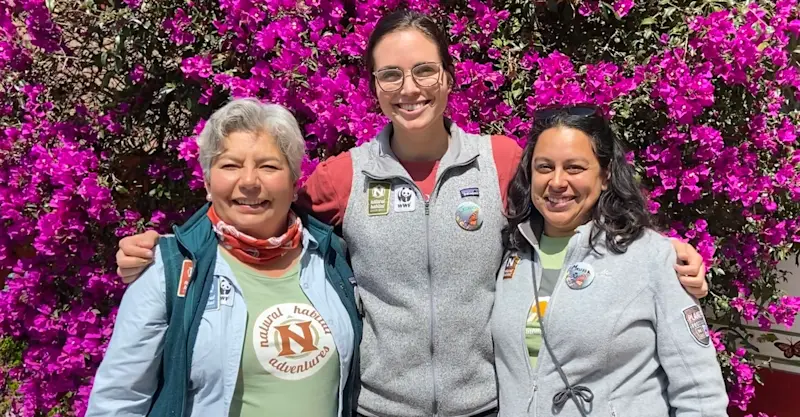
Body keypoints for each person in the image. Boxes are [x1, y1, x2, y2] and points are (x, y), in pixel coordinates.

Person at [113, 10, 710, 417]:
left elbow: (576, 208)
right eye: (391, 75)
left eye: (424, 70)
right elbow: (253, 200)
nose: (410, 87)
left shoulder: (500, 161)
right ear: (374, 87)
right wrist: (171, 246)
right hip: (379, 408)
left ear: (449, 77)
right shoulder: (343, 175)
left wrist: (665, 256)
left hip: (483, 407)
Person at [87, 98, 361, 417]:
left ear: (294, 180)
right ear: (207, 182)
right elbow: (118, 401)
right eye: (230, 166)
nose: (248, 182)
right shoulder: (170, 269)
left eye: (268, 166)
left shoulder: (329, 257)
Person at [492, 106, 728, 417]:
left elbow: (700, 394)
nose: (558, 182)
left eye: (575, 168)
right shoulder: (514, 253)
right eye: (545, 167)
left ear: (605, 176)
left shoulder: (652, 259)